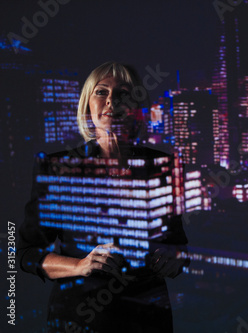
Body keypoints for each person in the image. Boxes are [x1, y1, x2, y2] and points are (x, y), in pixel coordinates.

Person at [18, 61, 189, 333]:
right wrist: (80, 265)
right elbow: (25, 253)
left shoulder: (164, 166)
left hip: (148, 320)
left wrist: (174, 257)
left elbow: (179, 246)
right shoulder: (57, 168)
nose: (112, 101)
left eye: (123, 93)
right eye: (101, 92)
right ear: (88, 105)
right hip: (80, 319)